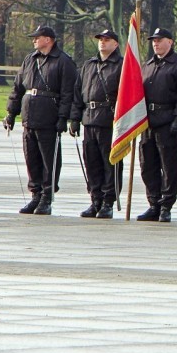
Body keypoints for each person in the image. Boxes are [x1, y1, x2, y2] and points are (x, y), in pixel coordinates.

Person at [4, 25, 77, 215]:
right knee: (32, 158)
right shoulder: (30, 59)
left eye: (38, 37)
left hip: (49, 117)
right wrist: (11, 113)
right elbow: (18, 87)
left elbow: (68, 93)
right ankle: (35, 194)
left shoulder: (63, 61)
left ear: (49, 39)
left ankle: (46, 196)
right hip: (30, 116)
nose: (34, 40)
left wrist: (63, 117)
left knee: (49, 159)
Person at [137, 28, 177, 222]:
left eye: (160, 40)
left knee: (169, 165)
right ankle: (153, 202)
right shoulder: (148, 65)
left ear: (171, 42)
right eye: (153, 40)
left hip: (167, 120)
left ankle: (166, 204)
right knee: (147, 165)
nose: (156, 43)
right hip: (147, 121)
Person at [69, 29, 123, 219]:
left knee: (110, 163)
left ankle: (108, 201)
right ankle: (95, 199)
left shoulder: (121, 66)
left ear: (115, 44)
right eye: (101, 39)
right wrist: (75, 118)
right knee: (91, 162)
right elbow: (78, 93)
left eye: (107, 40)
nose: (102, 42)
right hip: (89, 118)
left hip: (109, 120)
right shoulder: (89, 65)